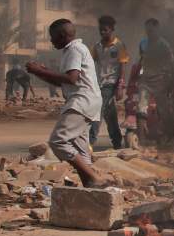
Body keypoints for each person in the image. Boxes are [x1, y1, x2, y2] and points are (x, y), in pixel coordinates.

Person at [26, 19, 102, 187]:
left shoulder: (74, 49)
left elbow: (71, 79)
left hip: (82, 101)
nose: (51, 41)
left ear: (61, 36)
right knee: (82, 152)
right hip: (88, 101)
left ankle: (94, 177)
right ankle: (91, 188)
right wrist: (42, 72)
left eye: (52, 37)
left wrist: (39, 70)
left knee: (58, 141)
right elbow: (63, 82)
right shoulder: (75, 50)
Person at [89, 15, 128, 150]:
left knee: (96, 111)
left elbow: (123, 66)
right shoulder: (97, 46)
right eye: (101, 30)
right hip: (98, 84)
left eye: (105, 30)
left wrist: (120, 86)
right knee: (110, 115)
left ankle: (89, 142)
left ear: (111, 29)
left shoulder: (118, 45)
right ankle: (117, 143)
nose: (102, 32)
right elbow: (89, 62)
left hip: (111, 84)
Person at [136, 18, 174, 140]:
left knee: (164, 110)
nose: (149, 32)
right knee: (141, 107)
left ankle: (170, 137)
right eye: (147, 30)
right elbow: (141, 59)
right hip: (145, 80)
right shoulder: (143, 43)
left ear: (157, 29)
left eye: (151, 30)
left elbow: (171, 62)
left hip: (159, 81)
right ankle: (141, 139)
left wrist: (167, 78)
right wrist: (139, 73)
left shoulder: (164, 45)